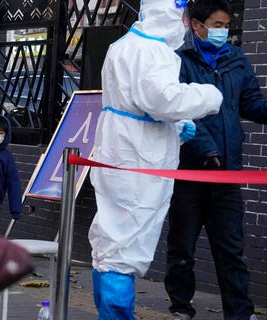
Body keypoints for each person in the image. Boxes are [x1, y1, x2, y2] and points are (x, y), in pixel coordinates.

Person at [163, 1, 267, 319]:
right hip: (191, 173)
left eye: (226, 25)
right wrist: (205, 150)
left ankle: (240, 313)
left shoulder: (236, 59)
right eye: (216, 25)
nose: (223, 31)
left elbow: (251, 104)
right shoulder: (177, 60)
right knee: (182, 248)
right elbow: (177, 110)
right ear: (196, 25)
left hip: (227, 174)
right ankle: (181, 308)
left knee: (231, 249)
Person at [87, 0, 226, 318]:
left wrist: (175, 129)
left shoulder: (123, 44)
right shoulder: (156, 51)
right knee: (127, 244)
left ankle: (107, 313)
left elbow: (134, 102)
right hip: (141, 162)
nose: (183, 21)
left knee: (111, 238)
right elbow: (160, 99)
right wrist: (208, 96)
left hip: (118, 149)